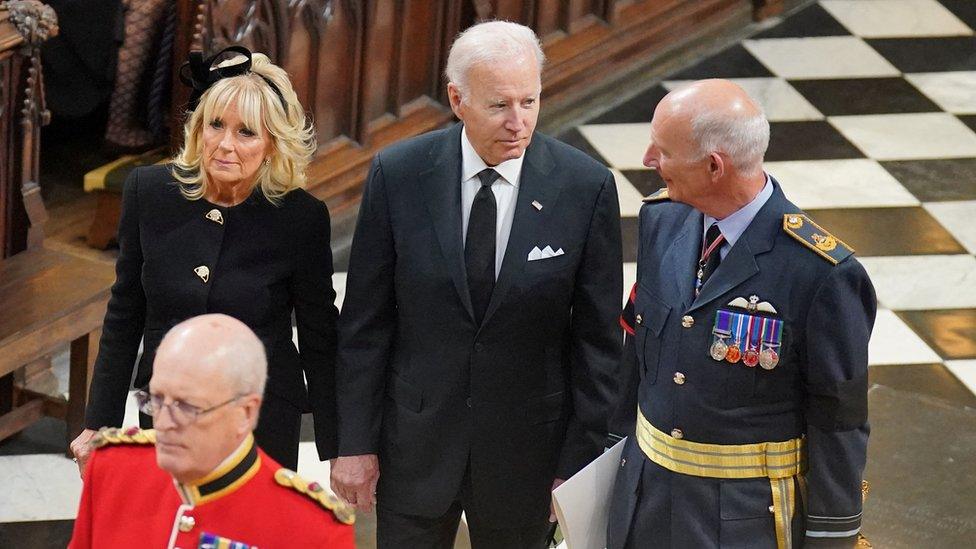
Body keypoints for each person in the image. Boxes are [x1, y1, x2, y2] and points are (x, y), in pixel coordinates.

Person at [331, 20, 623, 549]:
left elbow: (599, 345)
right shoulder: (398, 174)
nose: (519, 122)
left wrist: (578, 464)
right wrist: (354, 443)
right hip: (415, 450)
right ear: (457, 99)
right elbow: (364, 325)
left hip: (528, 458)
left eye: (529, 102)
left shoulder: (585, 187)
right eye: (499, 105)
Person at [607, 79, 877, 549]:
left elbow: (838, 421)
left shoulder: (820, 274)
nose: (649, 160)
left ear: (714, 166)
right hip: (644, 498)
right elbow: (638, 355)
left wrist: (832, 537)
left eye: (663, 150)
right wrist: (603, 459)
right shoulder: (661, 221)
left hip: (743, 519)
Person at [70, 46, 339, 472]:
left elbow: (319, 336)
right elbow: (125, 313)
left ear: (273, 145)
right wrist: (99, 423)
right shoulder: (150, 192)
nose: (225, 145)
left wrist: (337, 446)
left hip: (260, 417)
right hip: (167, 412)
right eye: (216, 125)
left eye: (246, 132)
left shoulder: (301, 218)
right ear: (198, 128)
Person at [69, 314, 355, 548]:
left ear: (245, 413)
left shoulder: (311, 531)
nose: (165, 422)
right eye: (155, 399)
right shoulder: (113, 470)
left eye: (187, 406)